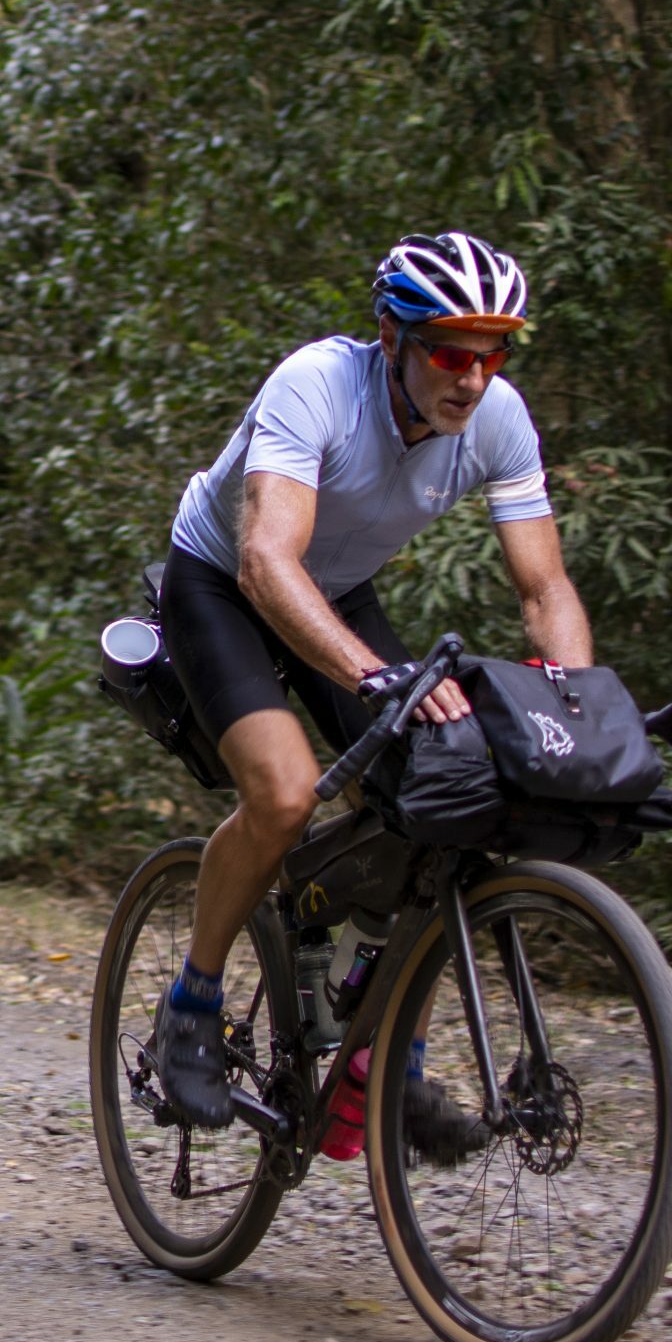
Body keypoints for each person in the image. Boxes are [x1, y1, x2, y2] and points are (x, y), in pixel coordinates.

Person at [151, 231, 592, 1162]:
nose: (471, 378)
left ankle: (382, 1048)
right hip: (226, 581)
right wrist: (367, 673)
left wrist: (575, 706)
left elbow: (543, 590)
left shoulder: (500, 422)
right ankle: (190, 1002)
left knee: (456, 786)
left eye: (491, 353)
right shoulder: (317, 385)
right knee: (283, 793)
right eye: (448, 351)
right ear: (392, 337)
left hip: (337, 590)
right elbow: (268, 559)